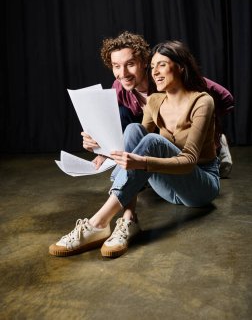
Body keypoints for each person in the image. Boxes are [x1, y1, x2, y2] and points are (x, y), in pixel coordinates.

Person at [49, 40, 220, 258]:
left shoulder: (202, 101)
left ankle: (98, 222)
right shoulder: (155, 101)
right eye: (153, 66)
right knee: (133, 129)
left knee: (154, 142)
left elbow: (187, 161)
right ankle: (128, 220)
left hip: (200, 186)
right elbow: (134, 144)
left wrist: (143, 163)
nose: (155, 72)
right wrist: (100, 147)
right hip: (169, 186)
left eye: (162, 65)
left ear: (180, 67)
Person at [84, 31, 234, 177]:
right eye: (116, 66)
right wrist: (100, 145)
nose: (123, 74)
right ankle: (133, 174)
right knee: (122, 115)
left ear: (144, 62)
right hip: (154, 129)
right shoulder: (118, 87)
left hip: (178, 130)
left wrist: (208, 125)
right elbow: (110, 125)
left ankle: (219, 143)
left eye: (130, 64)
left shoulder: (165, 78)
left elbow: (225, 97)